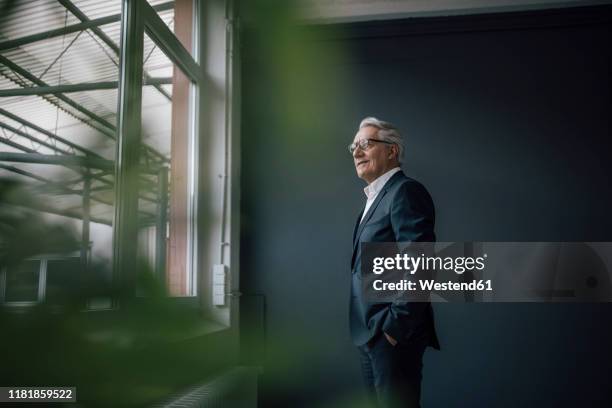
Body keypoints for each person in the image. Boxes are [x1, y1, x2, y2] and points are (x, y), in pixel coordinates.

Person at [349, 117, 440, 408]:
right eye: (353, 146)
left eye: (365, 144)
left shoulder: (405, 191)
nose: (356, 151)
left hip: (392, 335)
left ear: (392, 151)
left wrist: (394, 328)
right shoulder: (374, 198)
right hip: (370, 333)